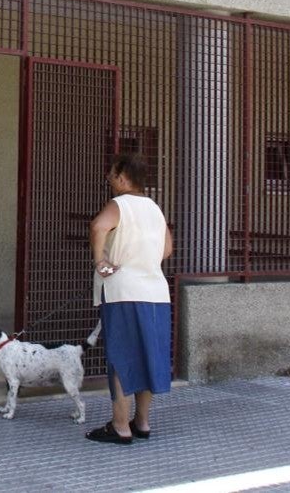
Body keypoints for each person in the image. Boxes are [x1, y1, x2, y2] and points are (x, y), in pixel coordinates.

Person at [85, 153, 173, 445]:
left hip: (123, 292)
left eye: (111, 175)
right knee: (148, 354)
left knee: (122, 356)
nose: (109, 180)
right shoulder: (155, 208)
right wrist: (142, 260)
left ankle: (120, 426)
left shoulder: (119, 204)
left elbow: (98, 226)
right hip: (156, 293)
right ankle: (142, 422)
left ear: (122, 178)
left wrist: (102, 261)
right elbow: (167, 249)